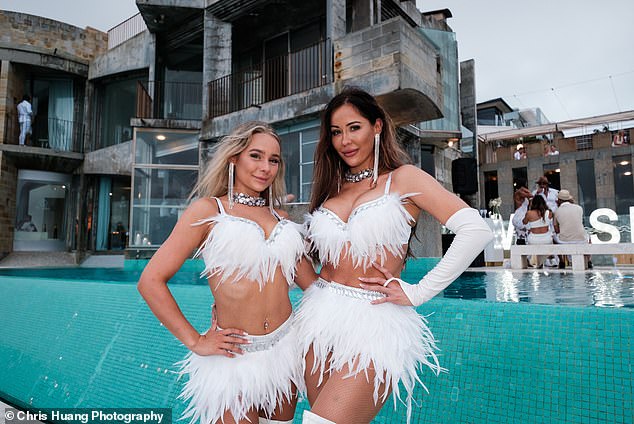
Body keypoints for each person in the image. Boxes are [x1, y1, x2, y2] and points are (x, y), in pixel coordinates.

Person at [297, 88, 493, 424]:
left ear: (377, 126)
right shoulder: (332, 187)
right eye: (336, 132)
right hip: (319, 318)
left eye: (354, 127)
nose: (345, 140)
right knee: (317, 415)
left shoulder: (404, 179)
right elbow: (309, 258)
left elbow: (476, 230)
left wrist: (418, 291)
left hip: (374, 319)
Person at [137, 122, 314, 424]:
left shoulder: (281, 218)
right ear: (234, 159)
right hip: (234, 356)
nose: (265, 167)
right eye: (255, 156)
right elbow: (150, 281)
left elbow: (313, 286)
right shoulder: (208, 211)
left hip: (285, 350)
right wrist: (195, 341)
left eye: (273, 160)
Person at [553, 189, 591, 269]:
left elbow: (556, 229)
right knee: (588, 237)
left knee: (553, 237)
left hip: (564, 241)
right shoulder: (579, 208)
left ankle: (561, 261)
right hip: (581, 240)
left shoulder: (557, 211)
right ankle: (588, 260)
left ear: (559, 200)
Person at [522, 195, 553, 268]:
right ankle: (541, 262)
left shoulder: (529, 213)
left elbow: (524, 222)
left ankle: (536, 262)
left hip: (533, 240)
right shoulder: (549, 212)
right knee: (548, 239)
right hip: (547, 239)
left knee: (530, 239)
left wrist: (528, 208)